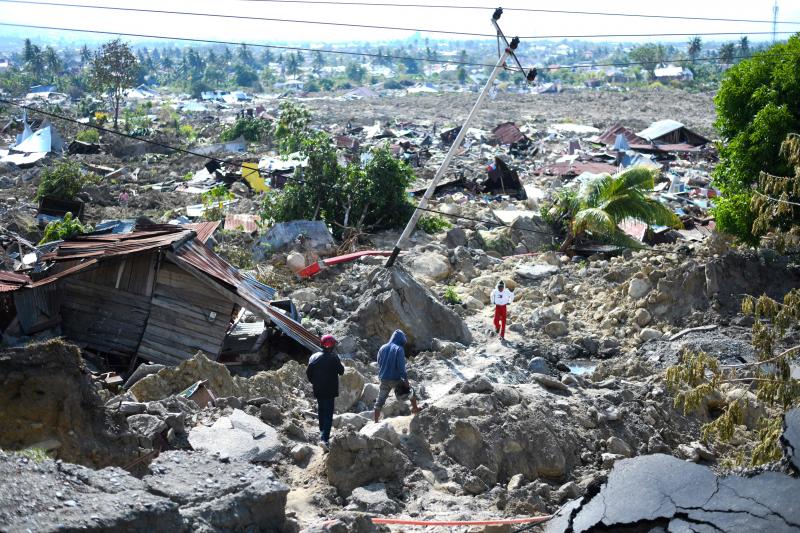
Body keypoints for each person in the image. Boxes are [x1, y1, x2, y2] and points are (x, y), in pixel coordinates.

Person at [306, 334, 344, 450]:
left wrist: (315, 383)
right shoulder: (334, 357)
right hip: (330, 390)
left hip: (318, 389)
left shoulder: (314, 357)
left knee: (321, 410)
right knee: (328, 414)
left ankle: (322, 432)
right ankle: (324, 439)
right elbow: (341, 371)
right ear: (332, 347)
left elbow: (308, 373)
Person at [374, 329, 420, 423]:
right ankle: (415, 409)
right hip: (395, 379)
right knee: (411, 392)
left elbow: (378, 361)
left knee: (380, 401)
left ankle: (375, 421)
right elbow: (401, 367)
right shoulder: (399, 349)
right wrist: (406, 380)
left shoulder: (383, 347)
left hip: (383, 379)